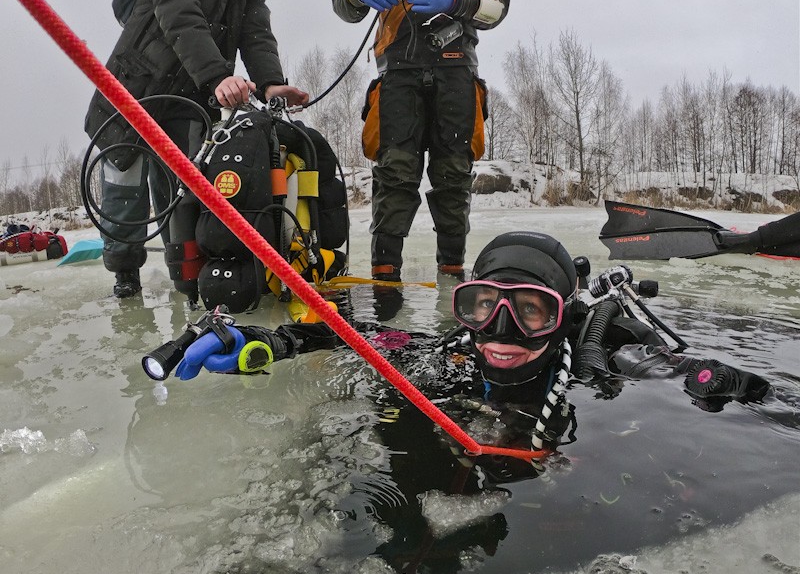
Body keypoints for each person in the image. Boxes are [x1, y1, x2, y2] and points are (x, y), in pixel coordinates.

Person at [145, 231, 772, 446]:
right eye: (483, 307)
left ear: (563, 318)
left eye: (531, 313)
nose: (502, 333)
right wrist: (269, 342)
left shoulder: (601, 362)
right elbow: (356, 336)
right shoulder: (455, 354)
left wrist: (715, 380)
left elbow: (660, 369)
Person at [84, 0, 309, 298]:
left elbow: (256, 34)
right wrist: (218, 76)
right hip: (135, 90)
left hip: (189, 101)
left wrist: (272, 82)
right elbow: (178, 11)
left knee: (181, 194)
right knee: (125, 189)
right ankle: (125, 276)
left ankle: (184, 277)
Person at [331, 0, 513, 282]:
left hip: (455, 75)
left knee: (452, 177)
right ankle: (384, 276)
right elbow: (340, 2)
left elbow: (498, 5)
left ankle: (452, 274)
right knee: (393, 176)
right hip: (396, 77)